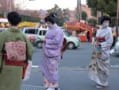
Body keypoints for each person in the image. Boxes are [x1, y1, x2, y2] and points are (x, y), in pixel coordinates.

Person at [0, 11, 33, 90]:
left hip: (5, 66)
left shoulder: (3, 34)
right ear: (19, 22)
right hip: (18, 67)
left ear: (9, 20)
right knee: (15, 87)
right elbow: (30, 52)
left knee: (4, 86)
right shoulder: (23, 35)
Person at [40, 13, 64, 90]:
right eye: (47, 23)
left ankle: (53, 85)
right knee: (46, 70)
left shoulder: (58, 30)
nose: (47, 24)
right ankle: (49, 85)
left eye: (48, 23)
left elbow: (57, 42)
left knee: (52, 70)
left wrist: (46, 41)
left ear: (52, 22)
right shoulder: (50, 29)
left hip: (53, 53)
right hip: (47, 53)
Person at [89, 16, 113, 88]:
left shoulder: (109, 30)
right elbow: (96, 38)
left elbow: (110, 42)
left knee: (103, 67)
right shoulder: (99, 29)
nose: (107, 23)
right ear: (102, 22)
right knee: (97, 67)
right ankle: (99, 81)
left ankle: (103, 82)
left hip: (104, 51)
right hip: (97, 50)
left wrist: (101, 44)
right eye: (105, 22)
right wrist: (95, 42)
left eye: (108, 22)